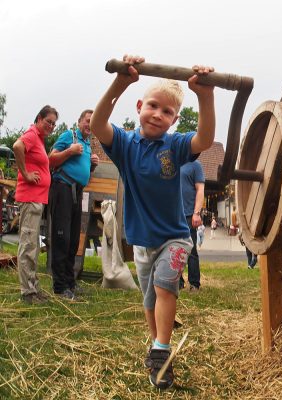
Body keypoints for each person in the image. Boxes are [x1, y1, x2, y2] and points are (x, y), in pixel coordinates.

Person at [90, 54, 215, 389]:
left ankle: (161, 347)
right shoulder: (126, 145)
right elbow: (98, 124)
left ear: (174, 120)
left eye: (168, 112)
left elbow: (203, 138)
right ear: (140, 106)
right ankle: (160, 354)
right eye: (154, 107)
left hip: (175, 237)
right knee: (150, 300)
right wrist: (120, 82)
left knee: (164, 286)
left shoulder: (174, 146)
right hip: (142, 240)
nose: (159, 115)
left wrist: (205, 95)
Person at [48, 109, 100, 300]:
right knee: (62, 238)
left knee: (72, 241)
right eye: (87, 121)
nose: (89, 125)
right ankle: (60, 288)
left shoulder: (87, 144)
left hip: (77, 192)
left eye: (93, 123)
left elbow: (83, 170)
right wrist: (69, 151)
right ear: (79, 121)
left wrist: (92, 164)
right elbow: (50, 160)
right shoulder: (68, 136)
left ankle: (70, 283)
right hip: (62, 188)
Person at [13, 105, 57, 305]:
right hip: (30, 198)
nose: (51, 126)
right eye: (48, 121)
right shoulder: (31, 134)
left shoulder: (39, 139)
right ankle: (28, 293)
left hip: (37, 198)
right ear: (39, 118)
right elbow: (17, 146)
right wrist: (26, 174)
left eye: (53, 124)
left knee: (33, 244)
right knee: (28, 244)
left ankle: (34, 287)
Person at [178, 158, 205, 291]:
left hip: (189, 214)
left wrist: (197, 213)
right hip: (172, 215)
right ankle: (178, 282)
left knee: (191, 250)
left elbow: (200, 189)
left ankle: (194, 283)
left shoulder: (195, 164)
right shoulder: (173, 162)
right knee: (173, 250)